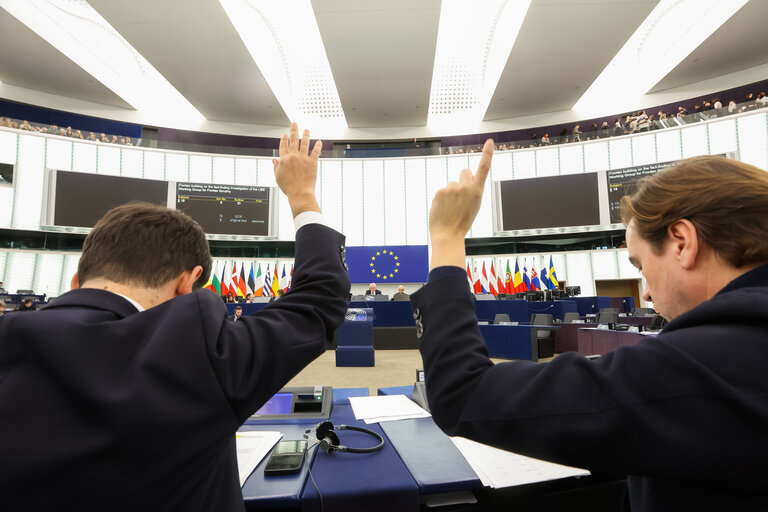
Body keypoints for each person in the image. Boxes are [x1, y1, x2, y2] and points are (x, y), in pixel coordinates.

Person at [0, 123, 350, 510]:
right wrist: (301, 194)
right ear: (189, 284)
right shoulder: (196, 354)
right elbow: (319, 300)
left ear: (76, 280)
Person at [411, 149, 768, 510]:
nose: (645, 291)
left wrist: (447, 237)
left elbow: (463, 393)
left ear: (681, 241)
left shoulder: (701, 365)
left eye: (641, 265)